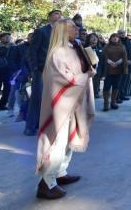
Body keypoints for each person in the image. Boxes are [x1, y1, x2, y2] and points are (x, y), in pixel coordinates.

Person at [35, 19, 95, 200]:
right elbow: (63, 79)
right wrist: (86, 75)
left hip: (75, 100)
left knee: (69, 140)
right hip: (62, 104)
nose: (77, 29)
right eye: (72, 27)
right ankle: (46, 184)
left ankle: (60, 173)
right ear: (62, 31)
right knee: (57, 142)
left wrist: (89, 68)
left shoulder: (74, 47)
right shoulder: (58, 52)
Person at [26, 9, 62, 136]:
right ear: (49, 17)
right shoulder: (41, 31)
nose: (59, 16)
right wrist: (35, 68)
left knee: (53, 99)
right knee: (37, 98)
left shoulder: (62, 32)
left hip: (57, 70)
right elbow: (32, 50)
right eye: (56, 14)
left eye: (60, 14)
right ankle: (30, 126)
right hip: (41, 70)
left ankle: (46, 125)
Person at [102, 33, 128, 111]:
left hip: (118, 70)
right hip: (108, 70)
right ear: (110, 38)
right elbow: (103, 56)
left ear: (118, 38)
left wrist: (118, 62)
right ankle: (106, 104)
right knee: (106, 87)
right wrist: (110, 62)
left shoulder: (122, 46)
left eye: (116, 37)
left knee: (116, 87)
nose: (115, 38)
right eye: (113, 37)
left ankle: (113, 102)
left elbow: (124, 56)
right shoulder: (106, 46)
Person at [85, 34, 105, 99]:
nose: (94, 39)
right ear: (88, 39)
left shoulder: (100, 49)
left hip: (97, 73)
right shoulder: (84, 49)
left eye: (96, 38)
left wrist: (103, 74)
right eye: (92, 37)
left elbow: (103, 63)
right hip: (87, 73)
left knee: (94, 90)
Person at [117, 29, 131, 101]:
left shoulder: (128, 41)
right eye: (121, 33)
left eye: (123, 33)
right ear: (118, 34)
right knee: (119, 81)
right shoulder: (117, 41)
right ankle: (117, 96)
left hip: (129, 64)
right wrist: (125, 60)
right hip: (120, 64)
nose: (122, 34)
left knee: (125, 80)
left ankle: (122, 94)